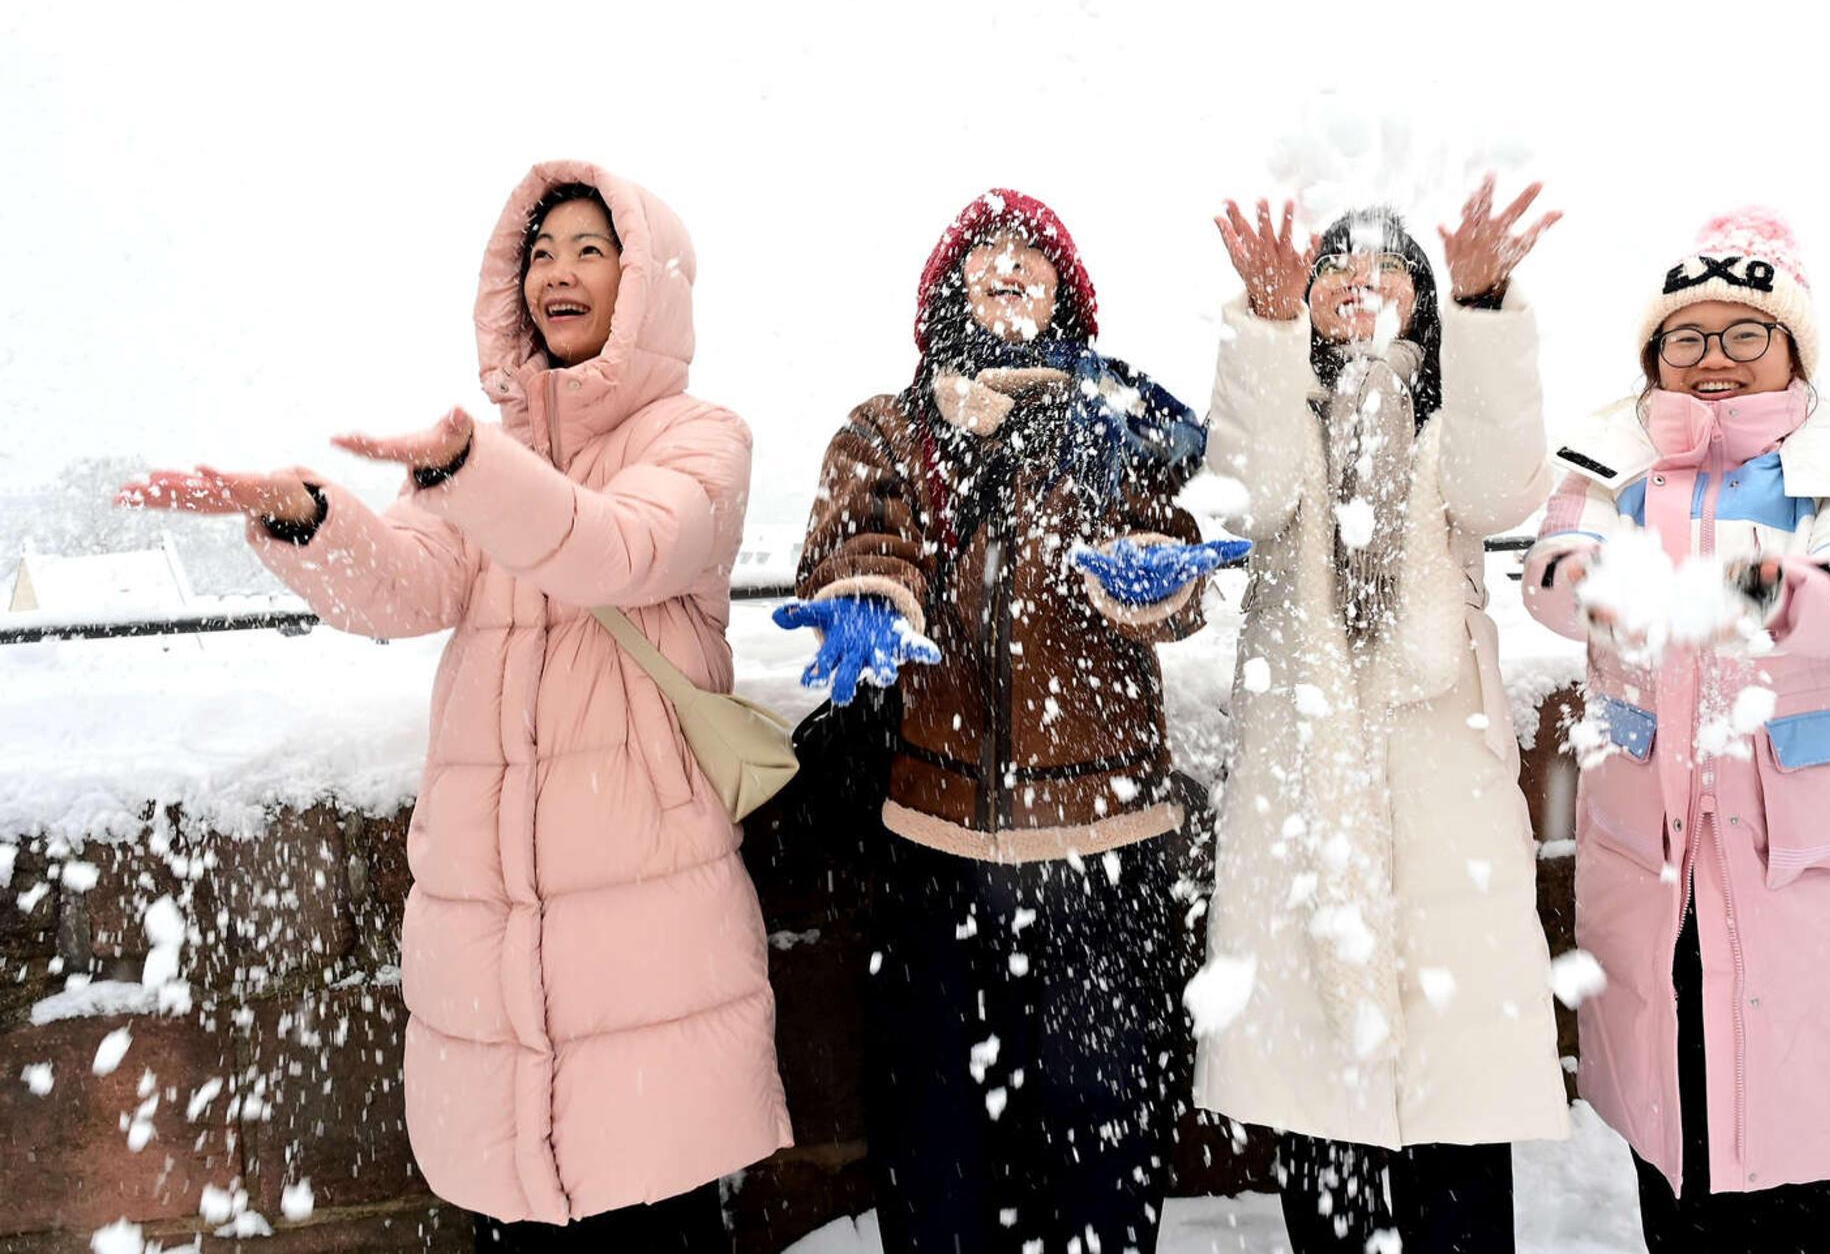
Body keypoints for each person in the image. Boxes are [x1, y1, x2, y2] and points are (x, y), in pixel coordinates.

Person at [118, 162, 787, 1251]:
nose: (556, 273)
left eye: (588, 248)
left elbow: (614, 547)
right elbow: (405, 587)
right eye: (538, 252)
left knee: (654, 1214)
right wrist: (307, 517)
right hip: (488, 941)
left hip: (645, 934)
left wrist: (475, 470)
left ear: (645, 280)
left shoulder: (698, 439)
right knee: (514, 1217)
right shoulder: (484, 452)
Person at [780, 188, 1234, 1254]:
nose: (1011, 267)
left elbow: (1171, 569)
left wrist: (1153, 584)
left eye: (1035, 257)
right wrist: (864, 596)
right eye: (986, 255)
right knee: (935, 1159)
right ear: (946, 292)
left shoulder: (1117, 424)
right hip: (934, 849)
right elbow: (860, 531)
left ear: (1068, 301)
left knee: (1103, 1152)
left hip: (1104, 851)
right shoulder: (887, 427)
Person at [1521, 208, 1830, 1253]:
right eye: (1684, 337)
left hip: (1805, 866)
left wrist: (1758, 588)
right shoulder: (1605, 455)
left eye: (1743, 333)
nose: (1711, 359)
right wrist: (1607, 590)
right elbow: (1553, 570)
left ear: (1792, 347)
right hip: (1652, 865)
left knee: (1824, 1135)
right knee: (1682, 1130)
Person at [1190, 179, 1569, 1253]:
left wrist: (1488, 300)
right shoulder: (1283, 404)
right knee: (1323, 1104)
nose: (1359, 289)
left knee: (1455, 1118)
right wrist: (1262, 328)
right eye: (1334, 275)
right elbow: (1249, 493)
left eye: (1387, 272)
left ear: (1422, 298)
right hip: (1307, 780)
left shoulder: (1450, 418)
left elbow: (1502, 491)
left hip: (1441, 786)